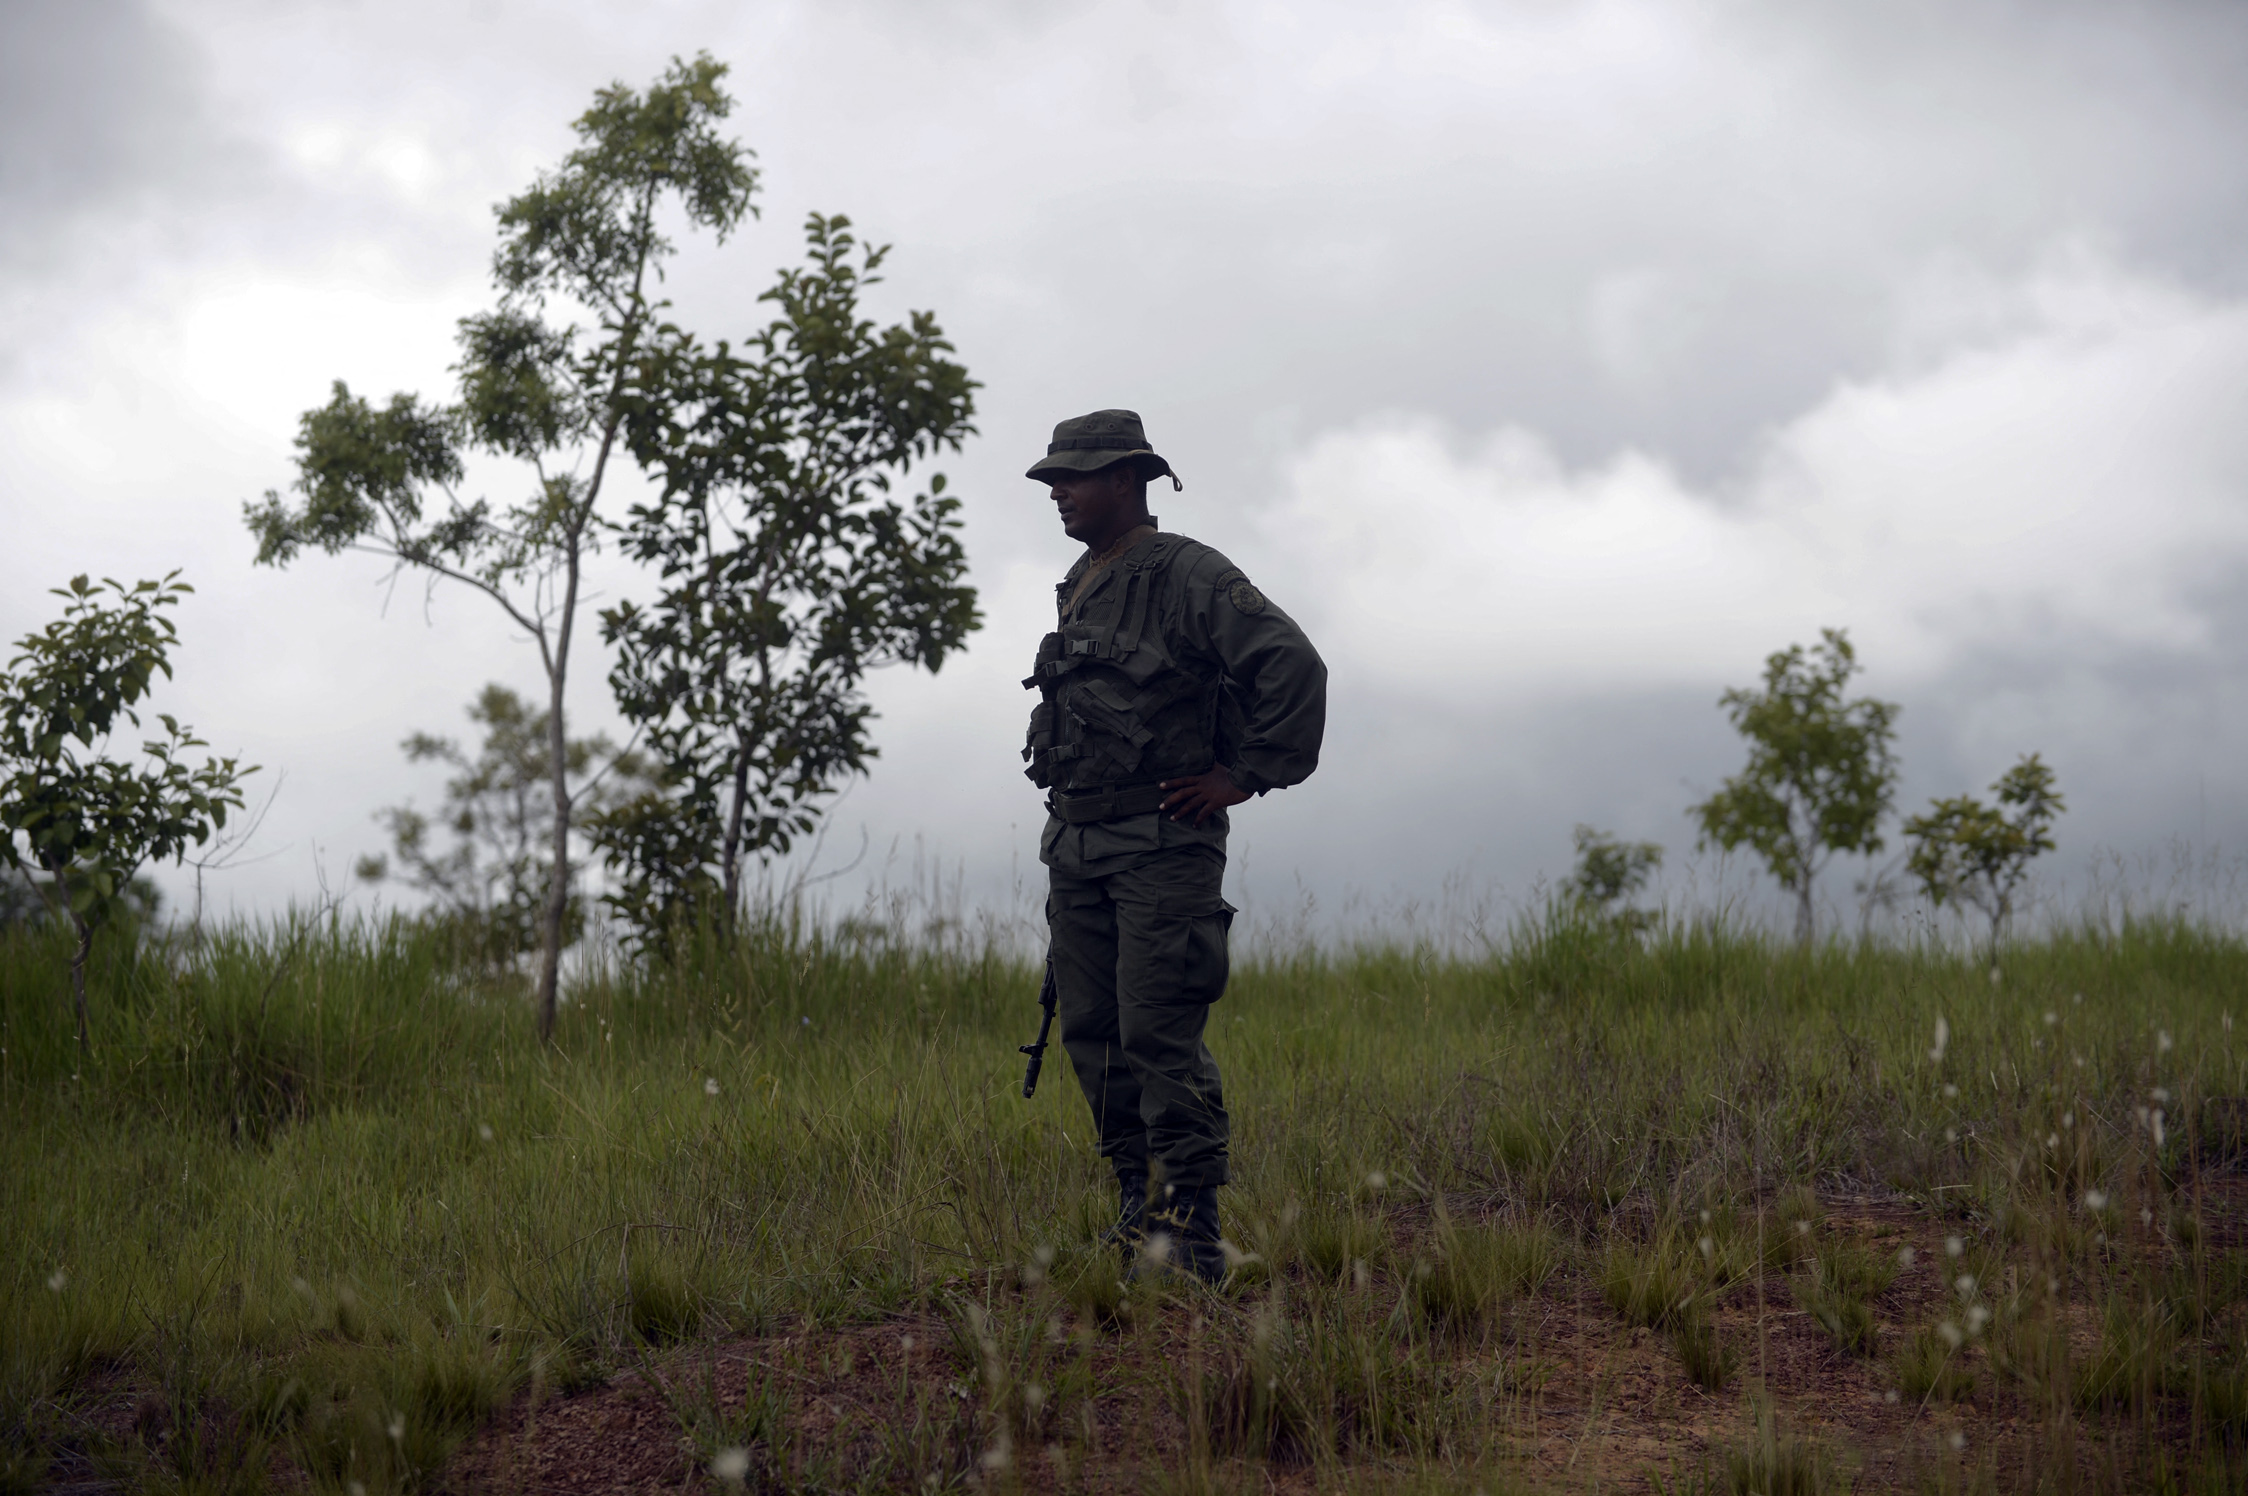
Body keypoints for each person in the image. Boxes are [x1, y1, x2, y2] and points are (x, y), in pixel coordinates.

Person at [1022, 409, 1327, 1281]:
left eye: (1074, 478)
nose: (1060, 494)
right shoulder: (1082, 577)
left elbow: (1292, 665)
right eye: (1053, 481)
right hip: (1078, 846)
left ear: (1128, 478)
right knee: (1094, 1032)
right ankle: (1138, 1216)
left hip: (1163, 846)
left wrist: (1246, 774)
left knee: (1159, 1034)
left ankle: (1189, 1237)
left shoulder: (1188, 572)